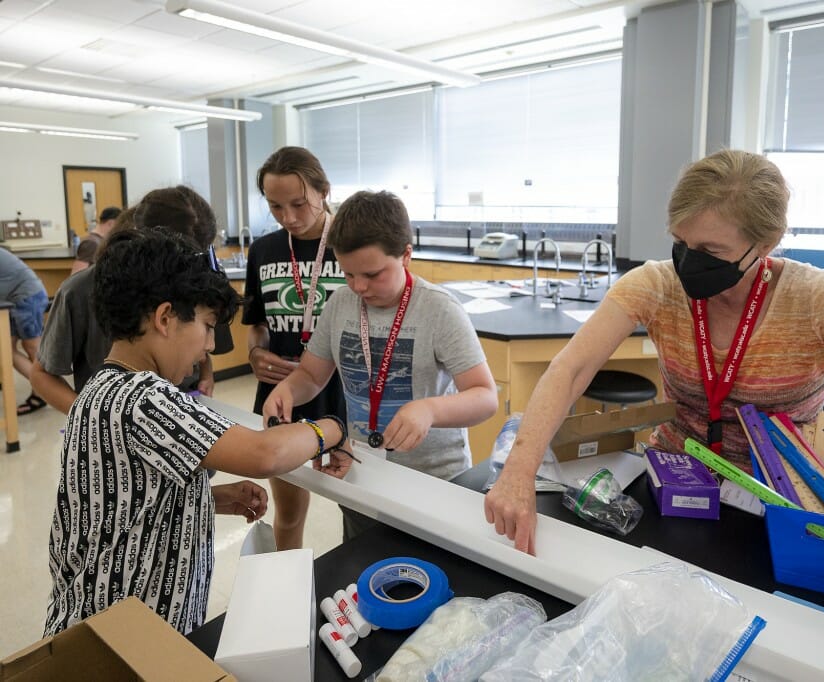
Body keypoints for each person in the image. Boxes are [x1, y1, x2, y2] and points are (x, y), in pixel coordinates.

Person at [483, 150, 824, 680]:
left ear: (764, 244)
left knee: (781, 651)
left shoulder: (821, 299)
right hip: (679, 485)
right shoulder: (655, 286)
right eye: (680, 243)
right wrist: (518, 472)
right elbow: (570, 369)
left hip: (784, 506)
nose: (688, 260)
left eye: (711, 249)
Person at [44, 228, 352, 637]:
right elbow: (264, 454)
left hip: (96, 625)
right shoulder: (145, 396)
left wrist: (212, 499)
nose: (208, 345)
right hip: (128, 638)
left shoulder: (99, 388)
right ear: (165, 318)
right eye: (207, 326)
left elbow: (119, 502)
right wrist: (332, 426)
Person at [264, 189, 498, 541]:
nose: (359, 286)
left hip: (435, 483)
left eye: (373, 275)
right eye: (348, 274)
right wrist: (287, 390)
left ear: (406, 255)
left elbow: (485, 396)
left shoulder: (438, 310)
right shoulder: (341, 304)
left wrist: (429, 410)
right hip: (363, 473)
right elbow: (312, 375)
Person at [32, 188, 227, 414]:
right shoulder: (80, 291)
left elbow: (204, 346)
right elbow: (42, 374)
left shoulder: (200, 281)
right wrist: (92, 417)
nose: (184, 276)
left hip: (181, 411)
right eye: (176, 263)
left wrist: (206, 374)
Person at [243, 146, 348, 551]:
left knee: (361, 512)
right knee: (288, 515)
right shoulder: (265, 250)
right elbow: (256, 327)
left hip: (344, 398)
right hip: (282, 398)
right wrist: (255, 354)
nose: (288, 217)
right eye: (275, 207)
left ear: (324, 192)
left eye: (299, 204)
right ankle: (290, 593)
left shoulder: (352, 246)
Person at [0, 248, 49, 414]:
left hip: (27, 297)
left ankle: (46, 390)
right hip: (13, 299)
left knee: (32, 347)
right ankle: (45, 389)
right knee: (7, 350)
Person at [70, 205, 121, 275]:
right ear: (110, 223)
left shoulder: (101, 241)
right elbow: (76, 275)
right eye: (119, 225)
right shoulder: (91, 243)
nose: (120, 229)